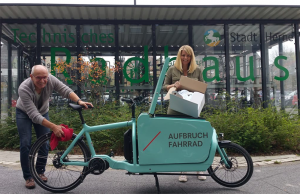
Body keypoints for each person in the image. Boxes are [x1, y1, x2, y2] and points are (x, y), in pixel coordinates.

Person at [16, 65, 93, 189]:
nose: (42, 80)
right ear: (31, 77)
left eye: (44, 77)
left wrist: (79, 101)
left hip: (42, 111)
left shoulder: (51, 79)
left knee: (45, 143)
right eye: (38, 78)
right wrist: (53, 127)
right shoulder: (24, 88)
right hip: (24, 113)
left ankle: (40, 171)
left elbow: (66, 90)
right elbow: (34, 115)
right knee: (25, 143)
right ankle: (28, 176)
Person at [163, 45, 206, 182]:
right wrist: (174, 85)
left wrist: (191, 86)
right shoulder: (172, 69)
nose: (185, 58)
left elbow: (202, 88)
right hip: (176, 107)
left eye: (188, 55)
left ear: (191, 57)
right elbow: (165, 87)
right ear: (179, 56)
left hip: (192, 107)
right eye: (183, 55)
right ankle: (183, 171)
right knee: (180, 140)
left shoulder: (197, 70)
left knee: (195, 139)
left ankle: (199, 169)